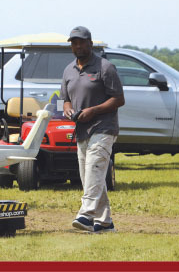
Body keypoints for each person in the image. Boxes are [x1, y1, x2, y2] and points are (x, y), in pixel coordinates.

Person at [60, 26, 125, 233]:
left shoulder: (105, 67)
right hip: (81, 130)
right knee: (89, 176)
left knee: (94, 171)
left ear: (90, 43)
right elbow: (66, 100)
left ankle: (86, 215)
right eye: (74, 42)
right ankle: (105, 222)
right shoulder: (68, 70)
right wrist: (69, 111)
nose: (77, 46)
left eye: (81, 42)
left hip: (103, 128)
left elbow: (119, 99)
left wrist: (93, 111)